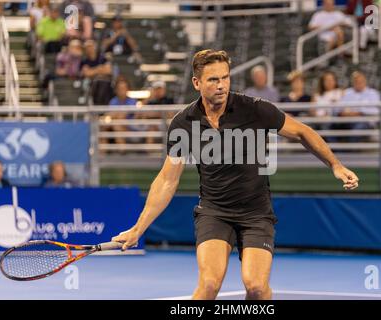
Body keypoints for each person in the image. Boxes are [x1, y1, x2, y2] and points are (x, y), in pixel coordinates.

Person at [112, 49, 359, 300]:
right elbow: (167, 180)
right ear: (197, 83)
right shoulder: (184, 123)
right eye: (213, 80)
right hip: (214, 212)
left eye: (225, 78)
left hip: (256, 214)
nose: (221, 85)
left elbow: (303, 132)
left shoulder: (255, 109)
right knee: (209, 284)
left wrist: (335, 165)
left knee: (257, 287)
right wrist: (138, 228)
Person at [336, 71, 381, 142]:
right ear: (353, 82)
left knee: (357, 129)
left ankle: (347, 151)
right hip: (347, 120)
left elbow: (376, 111)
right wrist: (342, 112)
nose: (358, 83)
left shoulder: (373, 93)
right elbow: (338, 108)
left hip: (365, 121)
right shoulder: (347, 92)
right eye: (356, 81)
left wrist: (359, 112)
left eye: (361, 81)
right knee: (329, 126)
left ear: (365, 81)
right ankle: (335, 151)